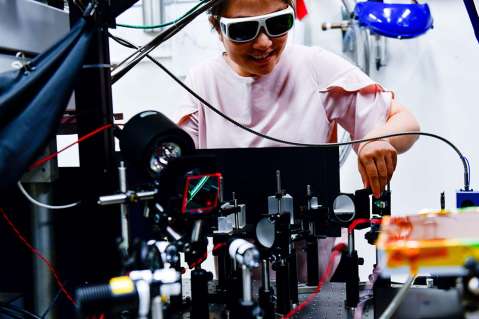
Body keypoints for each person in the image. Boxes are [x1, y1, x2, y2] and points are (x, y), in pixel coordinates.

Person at [177, 0, 420, 200]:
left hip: (317, 253)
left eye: (278, 23)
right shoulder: (203, 82)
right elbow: (179, 167)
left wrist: (376, 141)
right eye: (244, 29)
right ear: (217, 28)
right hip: (235, 252)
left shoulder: (313, 67)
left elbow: (405, 122)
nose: (264, 42)